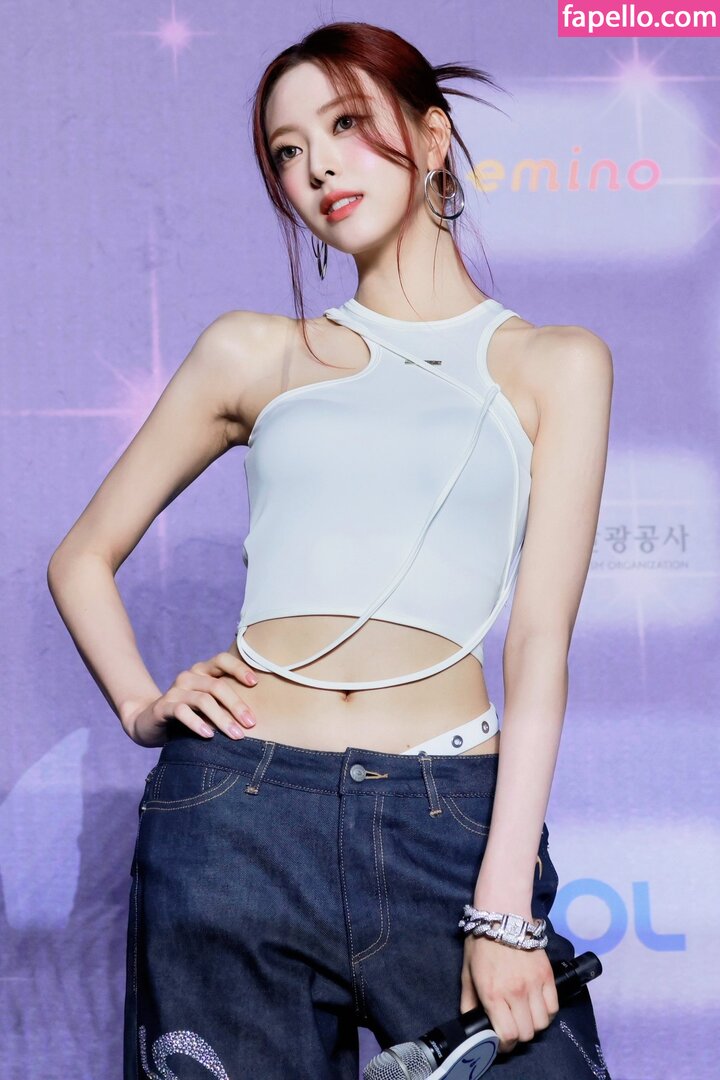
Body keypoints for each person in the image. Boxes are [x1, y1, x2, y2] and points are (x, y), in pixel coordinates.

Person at [47, 20, 614, 1080]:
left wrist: (501, 906)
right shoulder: (255, 351)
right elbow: (80, 557)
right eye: (287, 150)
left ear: (432, 138)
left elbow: (540, 640)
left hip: (449, 820)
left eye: (347, 124)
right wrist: (140, 706)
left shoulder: (555, 363)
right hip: (235, 820)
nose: (316, 167)